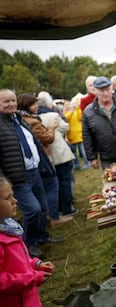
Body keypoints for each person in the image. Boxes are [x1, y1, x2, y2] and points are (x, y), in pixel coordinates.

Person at [0, 89, 63, 259]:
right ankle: (28, 243)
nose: (11, 104)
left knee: (42, 208)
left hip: (35, 172)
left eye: (13, 100)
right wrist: (4, 181)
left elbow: (33, 145)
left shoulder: (19, 120)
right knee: (32, 210)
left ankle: (41, 236)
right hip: (17, 178)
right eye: (6, 101)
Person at [17, 93, 74, 227]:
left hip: (38, 158)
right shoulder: (32, 121)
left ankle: (50, 217)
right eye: (33, 104)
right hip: (42, 157)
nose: (37, 106)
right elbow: (48, 138)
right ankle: (54, 217)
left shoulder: (27, 119)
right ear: (26, 106)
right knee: (52, 186)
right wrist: (52, 128)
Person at [0, 177, 55, 307]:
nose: (15, 201)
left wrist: (35, 264)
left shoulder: (10, 229)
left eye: (13, 195)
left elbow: (18, 262)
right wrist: (32, 277)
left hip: (29, 302)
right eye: (8, 198)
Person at [64, 93, 90, 170]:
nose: (68, 106)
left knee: (83, 150)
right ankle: (76, 164)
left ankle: (87, 162)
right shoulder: (66, 113)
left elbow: (80, 117)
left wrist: (77, 108)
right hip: (71, 136)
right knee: (74, 152)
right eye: (66, 105)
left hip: (79, 134)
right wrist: (71, 111)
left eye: (69, 104)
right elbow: (66, 119)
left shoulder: (77, 111)